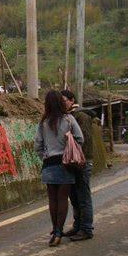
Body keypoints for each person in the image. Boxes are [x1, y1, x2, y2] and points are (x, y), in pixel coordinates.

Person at [35, 90, 84, 247]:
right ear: (60, 102)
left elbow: (38, 146)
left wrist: (45, 155)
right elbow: (80, 138)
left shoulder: (43, 122)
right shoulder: (68, 119)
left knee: (52, 200)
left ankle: (55, 229)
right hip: (66, 163)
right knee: (63, 199)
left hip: (49, 163)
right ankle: (58, 232)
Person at [61, 89, 95, 241]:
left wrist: (77, 157)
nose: (62, 103)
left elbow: (84, 140)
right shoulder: (69, 117)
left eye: (64, 100)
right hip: (72, 162)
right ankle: (78, 226)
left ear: (71, 100)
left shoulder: (81, 116)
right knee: (74, 196)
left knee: (83, 196)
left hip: (81, 161)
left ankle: (86, 229)